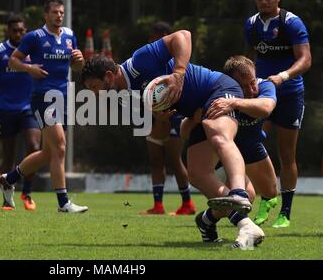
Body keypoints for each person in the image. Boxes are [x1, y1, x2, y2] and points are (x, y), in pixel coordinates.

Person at [82, 32, 264, 248]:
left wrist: (178, 74)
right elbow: (160, 134)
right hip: (196, 113)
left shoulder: (138, 61)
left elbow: (183, 36)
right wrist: (161, 118)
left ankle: (238, 193)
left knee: (215, 130)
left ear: (109, 75)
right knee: (196, 174)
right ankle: (230, 223)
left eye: (95, 87)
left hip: (217, 89)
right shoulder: (126, 99)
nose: (95, 94)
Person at [0, 0, 88, 213]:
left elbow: (76, 66)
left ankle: (9, 179)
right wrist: (30, 69)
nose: (59, 16)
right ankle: (63, 203)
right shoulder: (34, 37)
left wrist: (80, 59)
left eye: (61, 13)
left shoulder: (68, 35)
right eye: (55, 12)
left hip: (63, 97)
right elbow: (13, 61)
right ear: (45, 15)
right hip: (43, 97)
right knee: (61, 146)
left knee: (49, 154)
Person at [182, 56, 277, 246]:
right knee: (245, 197)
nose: (251, 90)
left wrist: (234, 102)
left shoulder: (264, 85)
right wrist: (194, 119)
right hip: (221, 152)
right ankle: (244, 228)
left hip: (250, 146)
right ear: (230, 82)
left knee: (271, 191)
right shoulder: (215, 93)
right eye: (244, 86)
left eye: (252, 82)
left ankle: (206, 220)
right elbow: (184, 133)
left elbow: (266, 107)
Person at [245, 0, 312, 228]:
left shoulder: (291, 23)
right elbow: (249, 57)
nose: (263, 2)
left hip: (290, 93)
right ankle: (266, 199)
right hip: (262, 94)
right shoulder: (251, 24)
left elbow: (305, 59)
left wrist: (282, 77)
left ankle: (285, 211)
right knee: (252, 143)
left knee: (286, 154)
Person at [0, 15, 41, 211]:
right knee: (8, 155)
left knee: (34, 147)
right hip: (5, 109)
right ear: (7, 31)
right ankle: (7, 199)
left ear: (26, 31)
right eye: (14, 30)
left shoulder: (34, 50)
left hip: (30, 108)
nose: (18, 33)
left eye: (21, 30)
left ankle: (27, 193)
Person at [141, 21, 196, 215]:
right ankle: (158, 205)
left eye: (156, 38)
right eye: (151, 38)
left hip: (175, 116)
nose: (152, 42)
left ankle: (188, 203)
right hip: (154, 117)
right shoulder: (148, 64)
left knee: (174, 159)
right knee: (155, 160)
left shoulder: (175, 63)